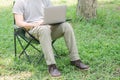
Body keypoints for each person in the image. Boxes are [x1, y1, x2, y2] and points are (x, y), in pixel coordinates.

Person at [13, 0, 89, 77]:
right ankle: (51, 66)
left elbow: (52, 16)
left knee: (67, 26)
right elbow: (19, 22)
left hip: (48, 28)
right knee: (44, 29)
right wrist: (35, 24)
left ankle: (75, 60)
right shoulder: (20, 2)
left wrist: (55, 21)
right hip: (31, 30)